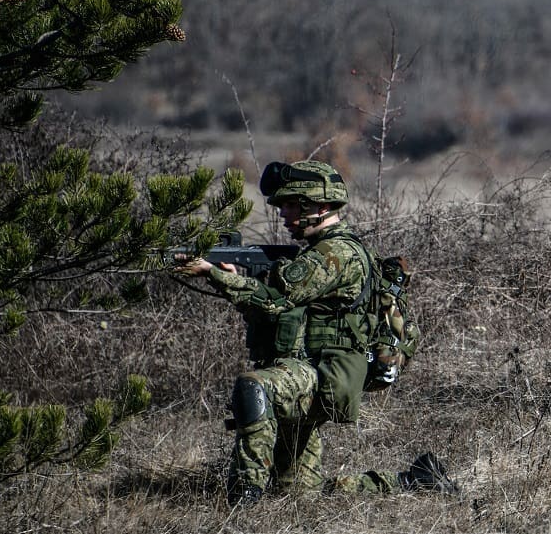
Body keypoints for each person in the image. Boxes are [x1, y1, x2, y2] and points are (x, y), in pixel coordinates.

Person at [174, 159, 454, 507]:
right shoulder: (326, 252)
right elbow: (268, 310)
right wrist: (230, 277)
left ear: (318, 206)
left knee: (255, 385)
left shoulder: (333, 254)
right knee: (298, 494)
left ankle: (243, 498)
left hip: (320, 375)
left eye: (291, 205)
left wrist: (212, 273)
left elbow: (275, 299)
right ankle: (414, 480)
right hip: (318, 370)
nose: (284, 215)